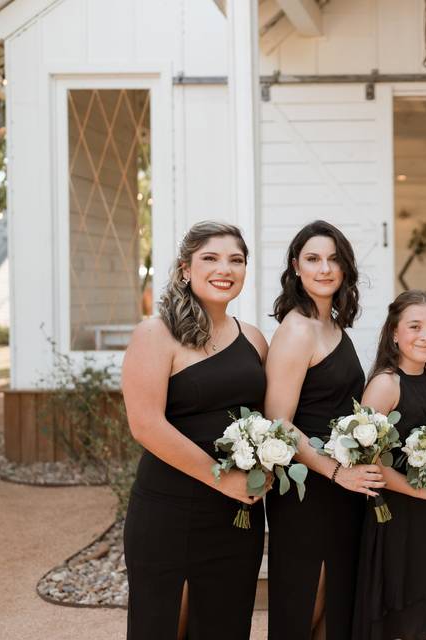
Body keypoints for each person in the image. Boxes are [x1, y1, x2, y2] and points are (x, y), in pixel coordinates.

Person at [122, 221, 269, 639]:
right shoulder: (156, 334)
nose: (225, 268)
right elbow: (146, 425)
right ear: (185, 269)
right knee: (165, 625)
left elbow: (269, 421)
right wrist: (222, 480)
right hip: (169, 510)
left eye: (236, 260)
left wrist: (269, 466)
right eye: (211, 258)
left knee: (226, 624)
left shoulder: (254, 340)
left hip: (238, 515)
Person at [263, 221, 384, 640]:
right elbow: (278, 422)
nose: (324, 268)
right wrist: (335, 471)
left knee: (337, 602)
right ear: (296, 266)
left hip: (341, 489)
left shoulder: (331, 324)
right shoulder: (296, 329)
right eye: (313, 259)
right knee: (306, 600)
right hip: (307, 488)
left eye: (333, 259)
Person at [352, 289, 426, 640]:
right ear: (394, 332)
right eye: (415, 326)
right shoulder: (385, 385)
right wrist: (419, 491)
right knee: (406, 620)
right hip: (397, 520)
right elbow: (366, 464)